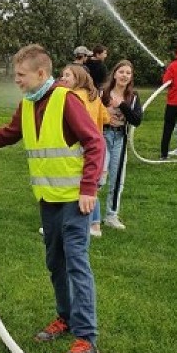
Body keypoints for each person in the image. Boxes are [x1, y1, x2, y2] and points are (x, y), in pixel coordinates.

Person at [0, 44, 105, 353]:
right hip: (48, 201)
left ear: (42, 74)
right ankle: (65, 318)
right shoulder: (28, 105)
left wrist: (88, 188)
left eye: (20, 75)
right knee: (55, 262)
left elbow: (95, 142)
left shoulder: (65, 100)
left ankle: (88, 343)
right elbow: (9, 134)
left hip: (74, 200)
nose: (16, 80)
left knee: (76, 264)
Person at [60, 64, 110, 237]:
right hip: (98, 146)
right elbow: (106, 117)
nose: (63, 78)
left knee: (82, 186)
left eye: (68, 75)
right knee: (92, 184)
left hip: (81, 147)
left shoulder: (73, 97)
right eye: (62, 75)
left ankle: (85, 224)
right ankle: (95, 225)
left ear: (78, 78)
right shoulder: (94, 97)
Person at [100, 60, 143, 230]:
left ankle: (111, 215)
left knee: (117, 179)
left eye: (128, 73)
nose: (124, 75)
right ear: (115, 74)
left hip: (120, 138)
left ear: (131, 77)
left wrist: (122, 105)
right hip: (103, 136)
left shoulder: (133, 97)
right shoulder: (103, 93)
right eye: (121, 72)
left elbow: (136, 120)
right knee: (99, 177)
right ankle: (88, 215)